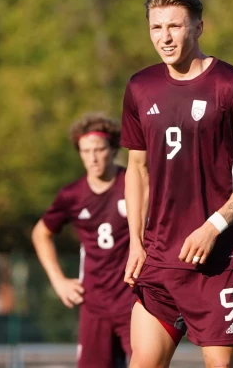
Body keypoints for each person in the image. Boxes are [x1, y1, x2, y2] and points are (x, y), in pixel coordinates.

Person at [120, 0, 233, 368]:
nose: (165, 37)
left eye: (175, 26)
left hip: (218, 262)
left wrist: (213, 227)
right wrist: (135, 243)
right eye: (156, 27)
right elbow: (137, 170)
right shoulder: (140, 86)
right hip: (158, 259)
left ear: (199, 27)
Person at [32, 113, 132, 368]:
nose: (93, 157)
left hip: (135, 300)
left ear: (113, 149)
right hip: (94, 303)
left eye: (99, 149)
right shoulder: (71, 195)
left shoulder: (134, 183)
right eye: (86, 151)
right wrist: (59, 281)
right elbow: (40, 233)